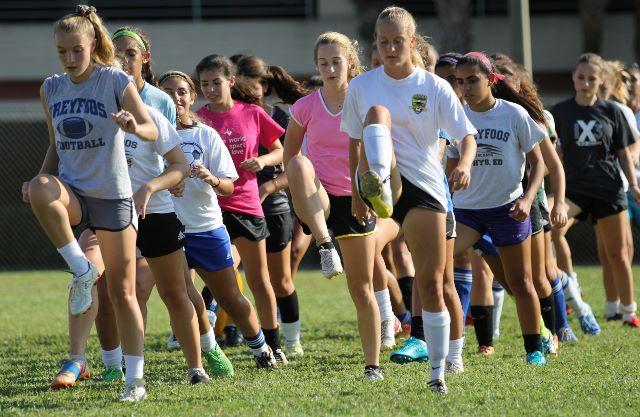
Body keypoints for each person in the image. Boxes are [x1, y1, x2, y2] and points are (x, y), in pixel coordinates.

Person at [22, 5, 158, 401]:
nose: (68, 59)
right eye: (61, 52)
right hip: (75, 194)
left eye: (75, 50)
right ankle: (81, 270)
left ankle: (135, 380)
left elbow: (149, 127)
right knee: (42, 187)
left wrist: (135, 126)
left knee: (122, 293)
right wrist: (38, 179)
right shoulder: (51, 88)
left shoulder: (113, 79)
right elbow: (55, 145)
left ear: (92, 44)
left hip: (113, 197)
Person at [341, 6, 478, 393]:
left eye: (396, 41)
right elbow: (355, 143)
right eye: (382, 42)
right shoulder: (362, 86)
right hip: (380, 186)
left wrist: (464, 164)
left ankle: (438, 371)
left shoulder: (433, 86)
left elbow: (465, 135)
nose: (389, 48)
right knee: (378, 113)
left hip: (424, 188)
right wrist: (357, 192)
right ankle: (380, 186)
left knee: (433, 283)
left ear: (411, 41)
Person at [160, 70, 280, 368]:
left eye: (181, 91)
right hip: (169, 229)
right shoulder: (152, 136)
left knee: (230, 297)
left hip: (206, 227)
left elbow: (228, 184)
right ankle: (206, 353)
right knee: (183, 296)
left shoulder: (205, 134)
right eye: (167, 92)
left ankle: (261, 349)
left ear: (191, 96)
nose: (175, 98)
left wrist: (211, 178)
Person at [284, 31, 382, 380]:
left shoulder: (367, 102)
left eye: (335, 61)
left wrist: (368, 195)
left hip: (358, 200)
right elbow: (289, 155)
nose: (329, 68)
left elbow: (380, 154)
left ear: (350, 62)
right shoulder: (305, 107)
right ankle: (325, 244)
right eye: (323, 63)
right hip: (319, 200)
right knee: (297, 164)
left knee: (361, 287)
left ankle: (372, 365)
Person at [449, 52, 548, 365]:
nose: (465, 87)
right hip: (467, 214)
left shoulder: (514, 114)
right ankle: (428, 340)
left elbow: (539, 164)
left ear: (491, 80)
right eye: (460, 81)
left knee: (519, 283)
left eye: (472, 80)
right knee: (434, 262)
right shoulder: (456, 116)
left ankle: (536, 346)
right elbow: (450, 163)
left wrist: (528, 199)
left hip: (508, 210)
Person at [194, 54, 289, 362]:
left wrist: (262, 160)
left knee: (260, 280)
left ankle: (273, 344)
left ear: (231, 82)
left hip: (247, 206)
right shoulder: (198, 119)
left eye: (216, 82)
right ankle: (207, 341)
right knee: (213, 282)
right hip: (209, 210)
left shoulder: (252, 113)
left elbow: (281, 151)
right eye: (204, 84)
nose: (210, 89)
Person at [552, 53, 640, 329]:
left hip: (607, 187)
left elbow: (624, 153)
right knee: (551, 231)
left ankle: (628, 312)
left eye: (592, 78)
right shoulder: (560, 112)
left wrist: (634, 185)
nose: (586, 83)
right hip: (574, 188)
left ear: (601, 80)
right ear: (573, 79)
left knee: (618, 254)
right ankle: (571, 290)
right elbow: (553, 153)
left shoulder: (612, 111)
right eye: (581, 77)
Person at [236, 56, 307, 357]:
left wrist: (269, 186)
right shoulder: (231, 114)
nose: (235, 87)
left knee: (279, 279)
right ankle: (240, 333)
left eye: (243, 80)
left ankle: (291, 339)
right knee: (227, 270)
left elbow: (297, 164)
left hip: (272, 200)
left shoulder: (281, 116)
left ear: (263, 85)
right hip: (237, 201)